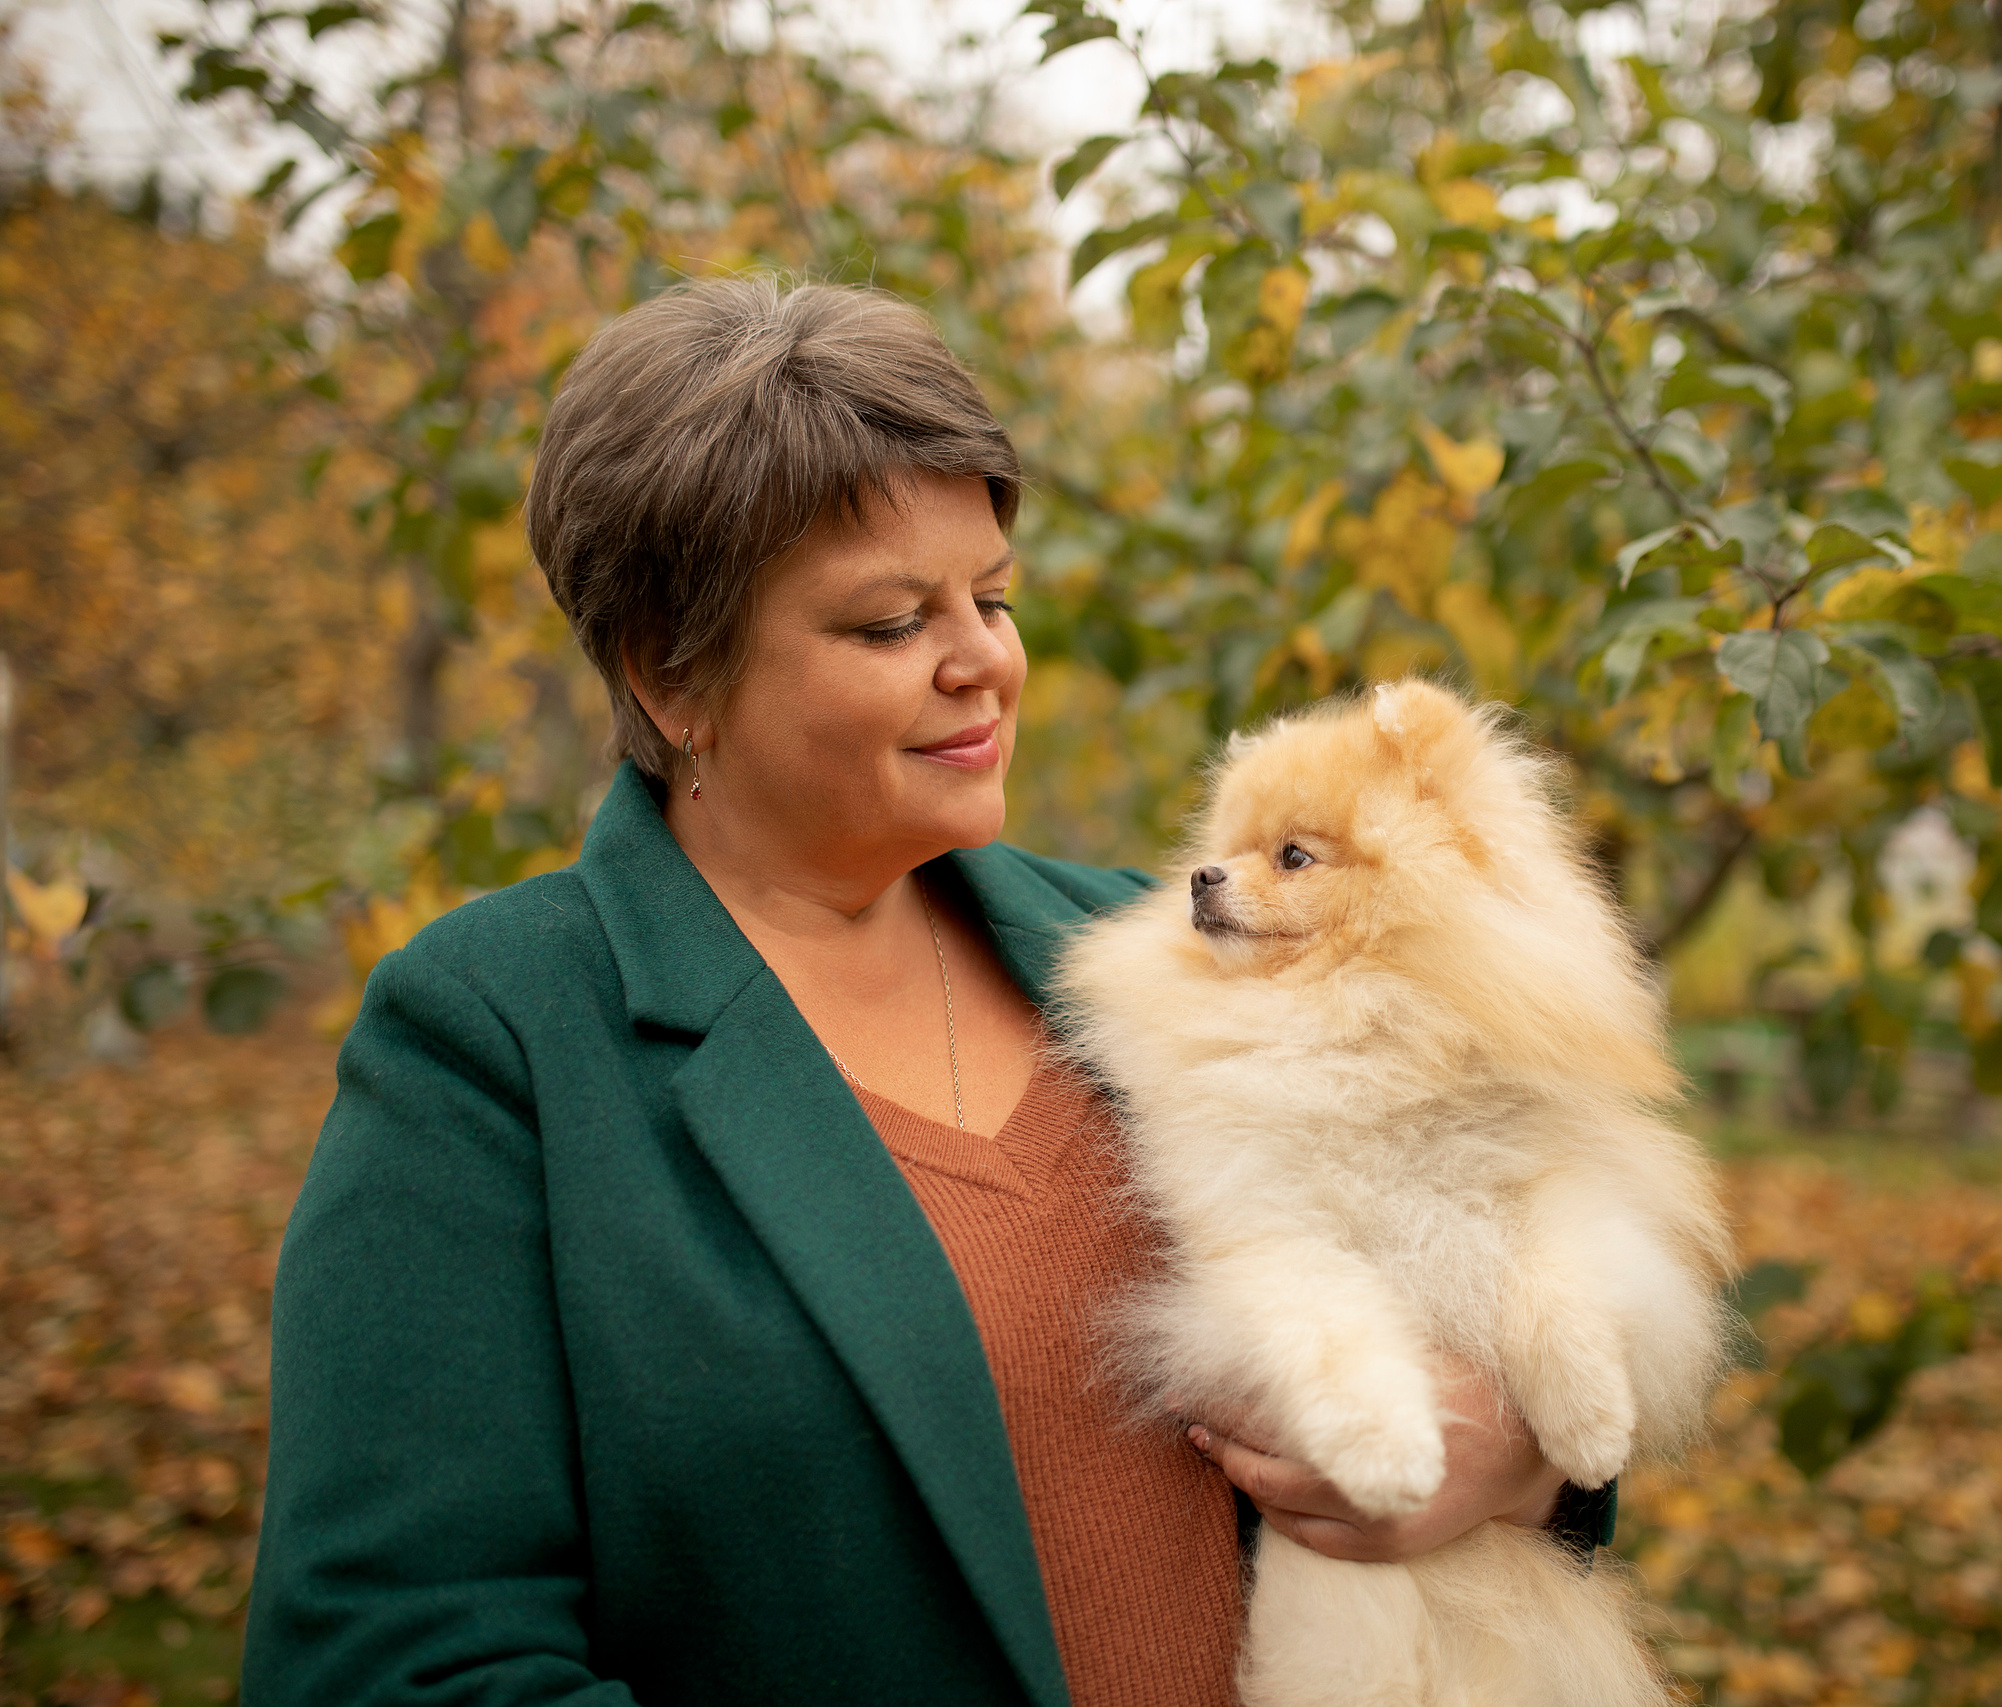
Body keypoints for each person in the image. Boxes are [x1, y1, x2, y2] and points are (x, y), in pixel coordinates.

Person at [241, 275, 1611, 1707]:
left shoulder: (1163, 951)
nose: (986, 663)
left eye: (994, 597)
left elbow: (1498, 1239)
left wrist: (1516, 1462)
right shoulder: (495, 1037)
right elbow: (393, 1661)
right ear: (670, 677)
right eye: (893, 624)